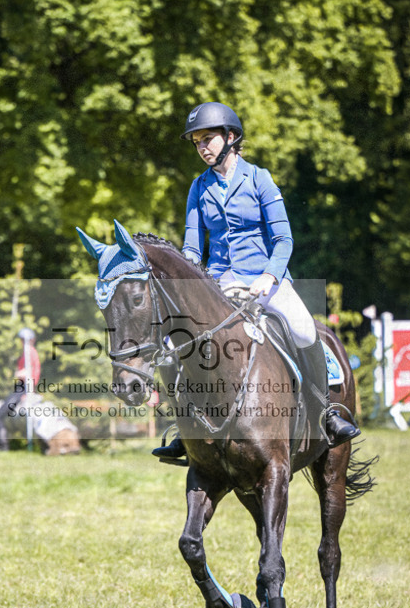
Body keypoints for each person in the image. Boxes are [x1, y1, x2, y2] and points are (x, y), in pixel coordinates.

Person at [153, 101, 359, 462]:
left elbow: (284, 240)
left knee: (303, 330)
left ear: (231, 137)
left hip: (266, 280)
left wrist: (269, 275)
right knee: (174, 342)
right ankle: (184, 426)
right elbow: (192, 247)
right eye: (197, 142)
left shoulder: (259, 178)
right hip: (218, 284)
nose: (202, 148)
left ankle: (326, 412)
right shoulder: (198, 188)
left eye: (208, 139)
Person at [0, 328, 41, 450]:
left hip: (23, 390)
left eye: (25, 340)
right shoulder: (27, 354)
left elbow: (32, 374)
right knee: (0, 415)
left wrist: (23, 380)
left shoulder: (30, 353)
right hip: (21, 389)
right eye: (22, 340)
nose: (23, 343)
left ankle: (3, 445)